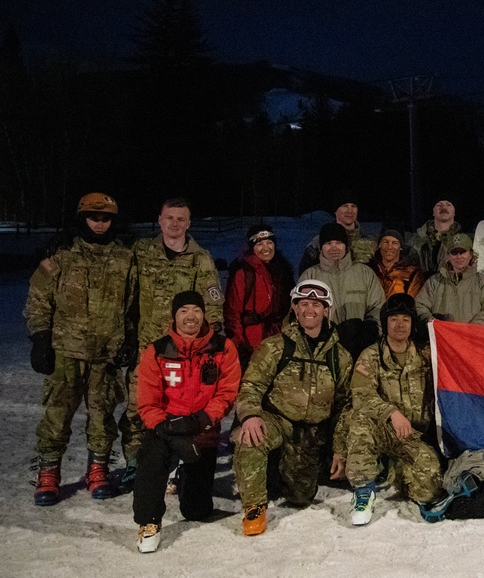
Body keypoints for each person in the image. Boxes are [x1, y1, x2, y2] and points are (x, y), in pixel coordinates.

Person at [25, 193, 137, 505]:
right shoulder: (60, 257)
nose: (100, 223)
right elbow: (37, 300)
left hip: (106, 354)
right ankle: (48, 472)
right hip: (66, 352)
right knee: (57, 415)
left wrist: (129, 339)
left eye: (106, 219)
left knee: (102, 416)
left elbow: (131, 306)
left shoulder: (125, 259)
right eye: (93, 217)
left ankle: (97, 468)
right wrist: (40, 339)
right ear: (82, 219)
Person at [119, 197, 224, 493]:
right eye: (170, 218)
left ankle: (176, 466)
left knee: (180, 407)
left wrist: (211, 343)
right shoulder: (142, 253)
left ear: (188, 223)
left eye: (181, 219)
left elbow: (213, 304)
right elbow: (119, 279)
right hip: (147, 346)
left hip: (184, 352)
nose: (175, 224)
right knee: (137, 407)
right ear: (160, 220)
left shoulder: (200, 258)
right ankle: (135, 464)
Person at [232, 280, 353, 536]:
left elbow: (344, 407)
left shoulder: (339, 356)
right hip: (277, 419)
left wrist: (340, 450)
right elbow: (251, 385)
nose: (310, 309)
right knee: (251, 438)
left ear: (326, 310)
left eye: (317, 305)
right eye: (304, 304)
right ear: (295, 310)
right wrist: (250, 415)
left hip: (311, 433)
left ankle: (281, 471)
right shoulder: (275, 346)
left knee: (301, 497)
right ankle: (254, 507)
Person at [132, 291, 241, 552]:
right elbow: (147, 401)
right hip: (166, 428)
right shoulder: (157, 351)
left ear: (204, 315)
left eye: (196, 310)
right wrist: (167, 430)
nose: (190, 316)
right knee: (151, 457)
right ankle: (149, 522)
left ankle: (184, 479)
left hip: (202, 429)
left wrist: (200, 421)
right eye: (183, 311)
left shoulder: (223, 347)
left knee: (196, 510)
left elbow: (227, 392)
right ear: (174, 316)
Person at [346, 294, 444, 525]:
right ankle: (364, 490)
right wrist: (392, 413)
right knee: (359, 420)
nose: (400, 325)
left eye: (405, 320)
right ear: (384, 323)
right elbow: (361, 395)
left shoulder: (424, 354)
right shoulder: (371, 355)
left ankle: (392, 468)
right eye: (394, 320)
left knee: (429, 488)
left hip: (412, 434)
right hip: (382, 429)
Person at [300, 222, 385, 358]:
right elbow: (299, 312)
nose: (334, 248)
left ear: (346, 246)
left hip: (362, 350)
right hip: (322, 350)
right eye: (328, 243)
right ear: (321, 247)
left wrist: (371, 332)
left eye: (338, 243)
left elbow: (378, 307)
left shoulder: (364, 273)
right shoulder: (310, 276)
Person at [224, 224, 294, 371]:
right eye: (259, 244)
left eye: (269, 242)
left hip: (278, 337)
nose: (266, 248)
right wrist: (238, 344)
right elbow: (233, 311)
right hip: (252, 340)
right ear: (252, 248)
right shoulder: (244, 273)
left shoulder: (283, 271)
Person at [415, 233, 484, 326]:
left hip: (471, 339)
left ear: (471, 254)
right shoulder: (434, 282)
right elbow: (419, 307)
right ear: (448, 256)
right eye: (454, 252)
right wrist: (435, 324)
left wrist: (467, 331)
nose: (459, 256)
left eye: (463, 252)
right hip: (442, 338)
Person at [298, 195, 378, 274]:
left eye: (353, 206)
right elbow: (306, 273)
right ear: (335, 211)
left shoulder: (370, 243)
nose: (350, 211)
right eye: (345, 206)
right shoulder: (319, 242)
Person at [367, 228, 425, 300]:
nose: (389, 247)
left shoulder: (412, 273)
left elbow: (413, 301)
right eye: (386, 242)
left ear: (401, 247)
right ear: (379, 245)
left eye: (395, 243)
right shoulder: (369, 270)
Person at [410, 197, 463, 274]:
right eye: (439, 205)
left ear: (454, 211)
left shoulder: (464, 240)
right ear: (433, 212)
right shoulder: (415, 240)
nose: (444, 208)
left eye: (448, 204)